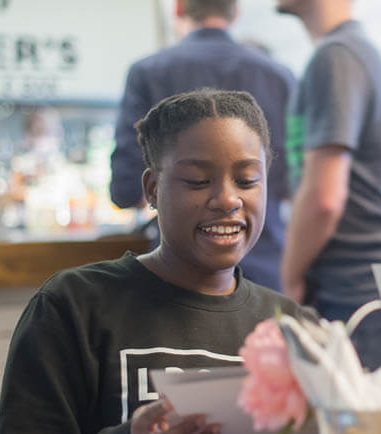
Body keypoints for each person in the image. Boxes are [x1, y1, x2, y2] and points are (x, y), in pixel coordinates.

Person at [0, 89, 310, 434]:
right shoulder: (74, 306)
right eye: (197, 181)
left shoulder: (290, 326)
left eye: (248, 180)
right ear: (152, 190)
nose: (228, 199)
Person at [276, 0, 381, 388]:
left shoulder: (337, 56)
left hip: (370, 293)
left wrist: (290, 275)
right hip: (371, 289)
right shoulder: (342, 53)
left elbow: (324, 197)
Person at [110, 0, 295, 291]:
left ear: (179, 10)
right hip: (267, 271)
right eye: (197, 180)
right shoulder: (279, 77)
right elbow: (295, 182)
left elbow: (125, 188)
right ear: (235, 11)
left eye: (246, 181)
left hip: (179, 281)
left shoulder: (147, 73)